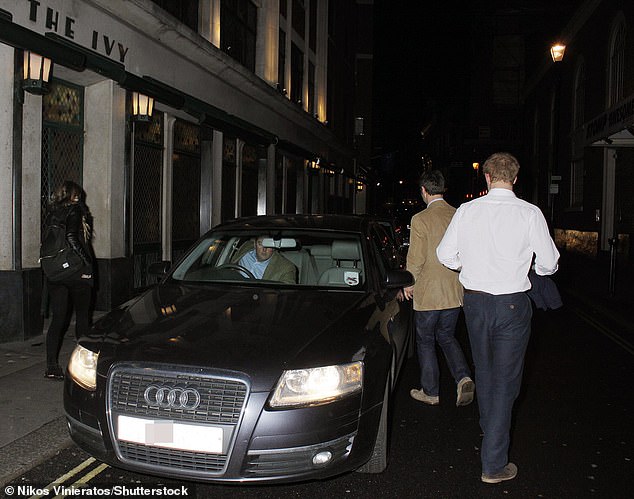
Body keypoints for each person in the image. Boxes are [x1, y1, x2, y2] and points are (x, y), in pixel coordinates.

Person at [436, 152, 560, 484]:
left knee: (487, 372)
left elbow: (445, 255)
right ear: (515, 178)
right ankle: (493, 463)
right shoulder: (530, 213)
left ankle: (490, 428)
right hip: (512, 305)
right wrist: (532, 268)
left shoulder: (467, 211)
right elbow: (549, 263)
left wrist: (469, 267)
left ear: (487, 177)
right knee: (506, 381)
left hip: (475, 304)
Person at [404, 170, 474, 407]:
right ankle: (463, 376)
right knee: (446, 336)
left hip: (428, 294)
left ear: (424, 191)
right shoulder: (458, 215)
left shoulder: (420, 219)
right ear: (443, 190)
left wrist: (407, 283)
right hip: (454, 293)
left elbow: (416, 258)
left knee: (425, 341)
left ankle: (431, 392)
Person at [43, 181, 94, 380]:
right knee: (83, 317)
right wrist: (86, 260)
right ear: (74, 196)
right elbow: (72, 237)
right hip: (75, 272)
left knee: (58, 319)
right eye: (78, 195)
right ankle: (83, 367)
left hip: (56, 273)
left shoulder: (53, 213)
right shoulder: (75, 211)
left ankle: (51, 366)